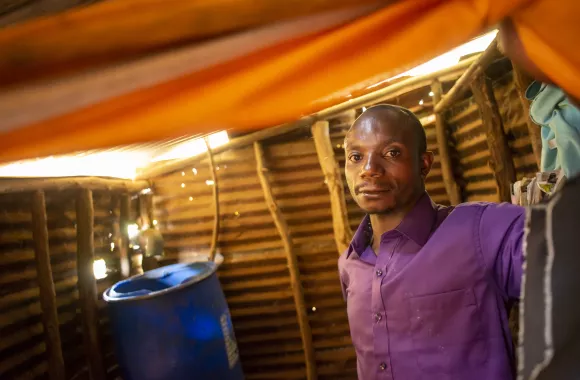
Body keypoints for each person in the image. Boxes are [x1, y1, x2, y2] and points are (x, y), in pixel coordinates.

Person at [338, 104, 524, 380]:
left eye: (391, 153)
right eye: (356, 156)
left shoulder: (485, 231)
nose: (368, 169)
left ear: (423, 164)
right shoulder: (350, 263)